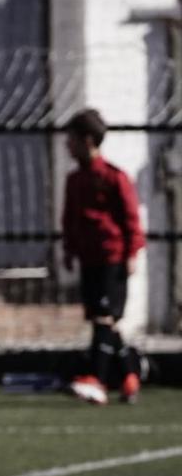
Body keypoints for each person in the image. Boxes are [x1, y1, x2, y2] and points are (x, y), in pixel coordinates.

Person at [60, 108, 147, 405]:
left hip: (113, 257)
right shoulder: (74, 180)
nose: (66, 146)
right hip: (89, 258)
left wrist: (132, 252)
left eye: (70, 140)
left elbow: (130, 218)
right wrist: (70, 249)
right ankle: (128, 376)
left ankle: (96, 379)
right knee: (104, 322)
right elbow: (70, 218)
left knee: (105, 317)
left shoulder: (114, 177)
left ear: (87, 140)